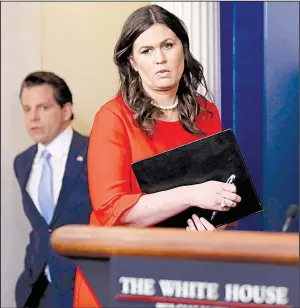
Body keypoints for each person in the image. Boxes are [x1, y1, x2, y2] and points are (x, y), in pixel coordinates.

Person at [73, 5, 241, 307]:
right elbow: (113, 211)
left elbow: (222, 195)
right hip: (119, 275)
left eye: (168, 45)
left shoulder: (205, 112)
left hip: (185, 273)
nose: (160, 58)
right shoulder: (113, 118)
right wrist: (192, 195)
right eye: (147, 50)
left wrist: (216, 225)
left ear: (183, 50)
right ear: (132, 61)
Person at [14, 71, 92, 308]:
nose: (33, 118)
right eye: (27, 109)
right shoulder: (22, 162)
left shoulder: (93, 152)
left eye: (43, 107)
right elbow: (41, 228)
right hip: (36, 290)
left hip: (84, 287)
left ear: (66, 111)